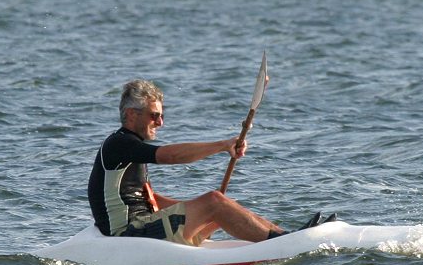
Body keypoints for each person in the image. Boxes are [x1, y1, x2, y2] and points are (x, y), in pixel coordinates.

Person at [87, 79, 328, 246]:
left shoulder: (129, 150)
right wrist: (223, 145)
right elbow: (170, 156)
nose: (160, 122)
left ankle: (283, 236)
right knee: (214, 201)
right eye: (154, 115)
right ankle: (282, 243)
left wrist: (204, 209)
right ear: (131, 115)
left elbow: (153, 200)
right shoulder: (118, 144)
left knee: (218, 203)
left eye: (162, 115)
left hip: (147, 227)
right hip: (129, 235)